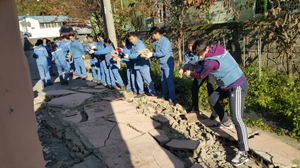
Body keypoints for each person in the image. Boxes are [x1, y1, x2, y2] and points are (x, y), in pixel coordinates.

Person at [185, 39, 249, 166]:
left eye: (200, 54)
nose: (200, 57)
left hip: (236, 85)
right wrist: (194, 62)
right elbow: (204, 60)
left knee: (237, 118)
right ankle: (225, 122)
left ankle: (243, 151)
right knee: (213, 99)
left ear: (206, 49)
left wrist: (189, 73)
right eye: (198, 55)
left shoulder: (211, 62)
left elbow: (201, 74)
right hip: (226, 85)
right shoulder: (215, 48)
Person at [180, 36, 217, 119]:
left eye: (191, 45)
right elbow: (188, 63)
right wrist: (184, 68)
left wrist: (192, 72)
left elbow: (203, 63)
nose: (190, 48)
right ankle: (195, 107)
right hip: (199, 72)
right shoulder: (188, 53)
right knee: (194, 88)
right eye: (188, 46)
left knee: (210, 89)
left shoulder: (201, 51)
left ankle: (214, 112)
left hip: (209, 71)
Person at [147, 27, 176, 105]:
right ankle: (165, 95)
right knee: (163, 80)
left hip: (168, 63)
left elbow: (163, 52)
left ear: (157, 33)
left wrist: (152, 54)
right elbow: (155, 52)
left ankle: (172, 98)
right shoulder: (156, 42)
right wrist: (149, 54)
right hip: (161, 63)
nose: (152, 37)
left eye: (153, 36)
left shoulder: (165, 41)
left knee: (169, 81)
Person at [123, 32, 156, 98]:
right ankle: (141, 92)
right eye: (129, 39)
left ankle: (153, 93)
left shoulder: (139, 45)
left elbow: (138, 55)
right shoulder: (133, 45)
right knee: (139, 79)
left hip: (143, 64)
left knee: (147, 80)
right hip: (137, 64)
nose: (131, 41)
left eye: (132, 39)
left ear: (136, 37)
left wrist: (129, 56)